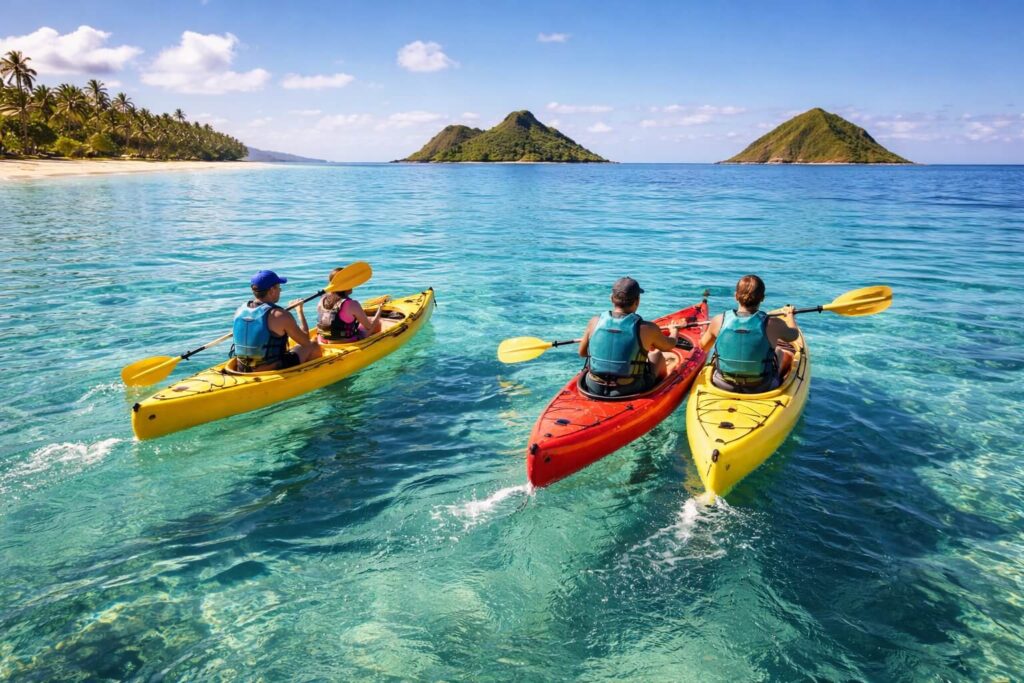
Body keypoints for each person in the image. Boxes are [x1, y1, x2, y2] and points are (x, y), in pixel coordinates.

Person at [578, 277, 685, 397]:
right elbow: (669, 345)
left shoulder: (594, 322)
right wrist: (674, 331)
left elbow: (582, 353)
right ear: (637, 301)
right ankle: (659, 388)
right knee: (656, 355)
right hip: (629, 389)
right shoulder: (647, 328)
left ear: (611, 298)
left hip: (594, 387)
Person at [700, 274, 798, 393]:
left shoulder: (718, 320)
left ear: (736, 296)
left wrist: (710, 331)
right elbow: (794, 335)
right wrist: (790, 315)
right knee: (779, 351)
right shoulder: (773, 323)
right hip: (761, 386)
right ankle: (777, 380)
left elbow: (704, 347)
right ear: (762, 298)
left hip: (722, 383)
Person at [231, 270, 321, 372]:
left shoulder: (239, 311)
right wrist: (299, 311)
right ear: (272, 290)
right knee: (313, 346)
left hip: (241, 367)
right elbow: (305, 342)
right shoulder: (279, 315)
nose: (280, 290)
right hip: (268, 369)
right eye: (279, 287)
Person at [316, 267, 384, 343]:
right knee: (375, 323)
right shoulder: (352, 304)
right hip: (345, 342)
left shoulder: (322, 299)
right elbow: (369, 327)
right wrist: (379, 311)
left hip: (323, 339)